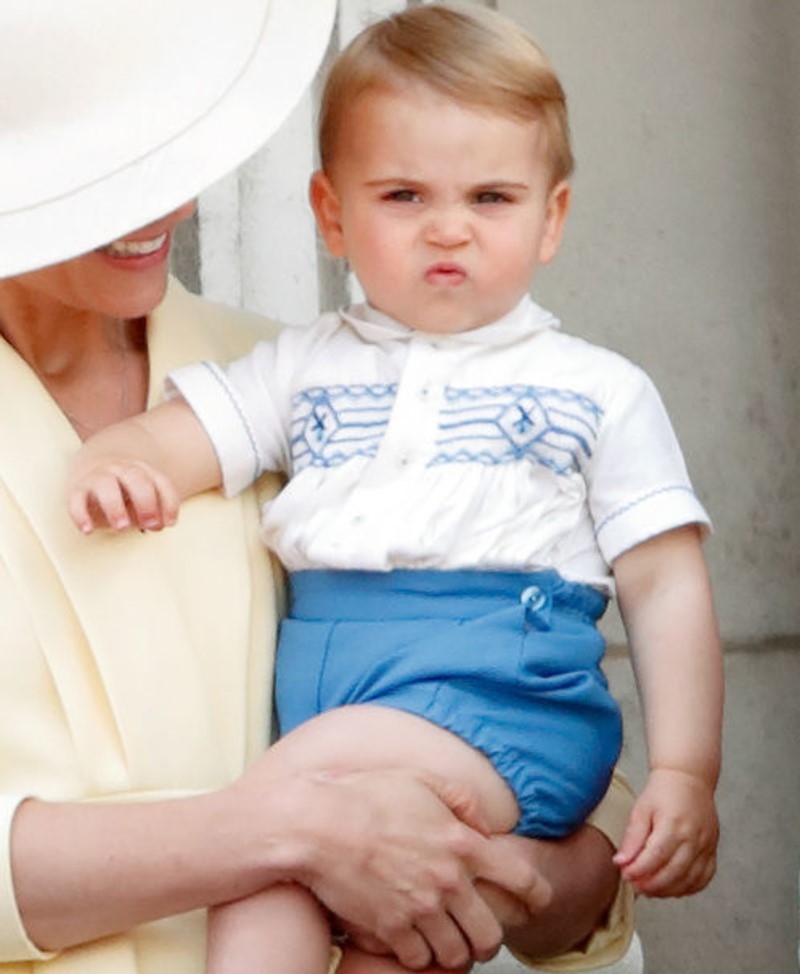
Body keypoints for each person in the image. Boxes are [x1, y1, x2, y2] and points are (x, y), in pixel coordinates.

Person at [66, 3, 724, 973]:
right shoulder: (300, 366)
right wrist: (120, 462)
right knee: (362, 919)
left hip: (497, 692)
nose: (447, 227)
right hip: (343, 694)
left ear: (552, 217)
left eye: (491, 197)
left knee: (269, 828)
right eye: (403, 195)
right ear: (330, 211)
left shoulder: (593, 389)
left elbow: (664, 582)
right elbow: (189, 435)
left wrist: (684, 769)